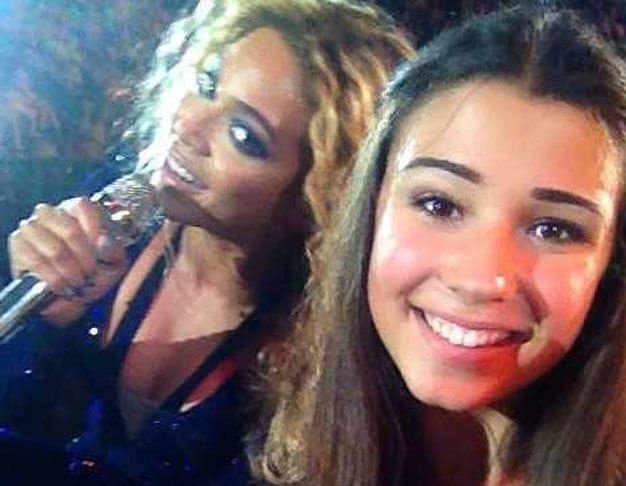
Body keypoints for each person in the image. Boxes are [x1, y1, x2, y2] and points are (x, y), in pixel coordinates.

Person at [0, 0, 413, 484]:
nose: (188, 126)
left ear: (320, 194)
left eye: (243, 135)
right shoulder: (115, 214)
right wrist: (42, 319)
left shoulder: (316, 364)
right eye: (206, 85)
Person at [257, 6, 626, 486]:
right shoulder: (274, 434)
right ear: (373, 205)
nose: (481, 280)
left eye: (553, 230)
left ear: (615, 263)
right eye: (439, 205)